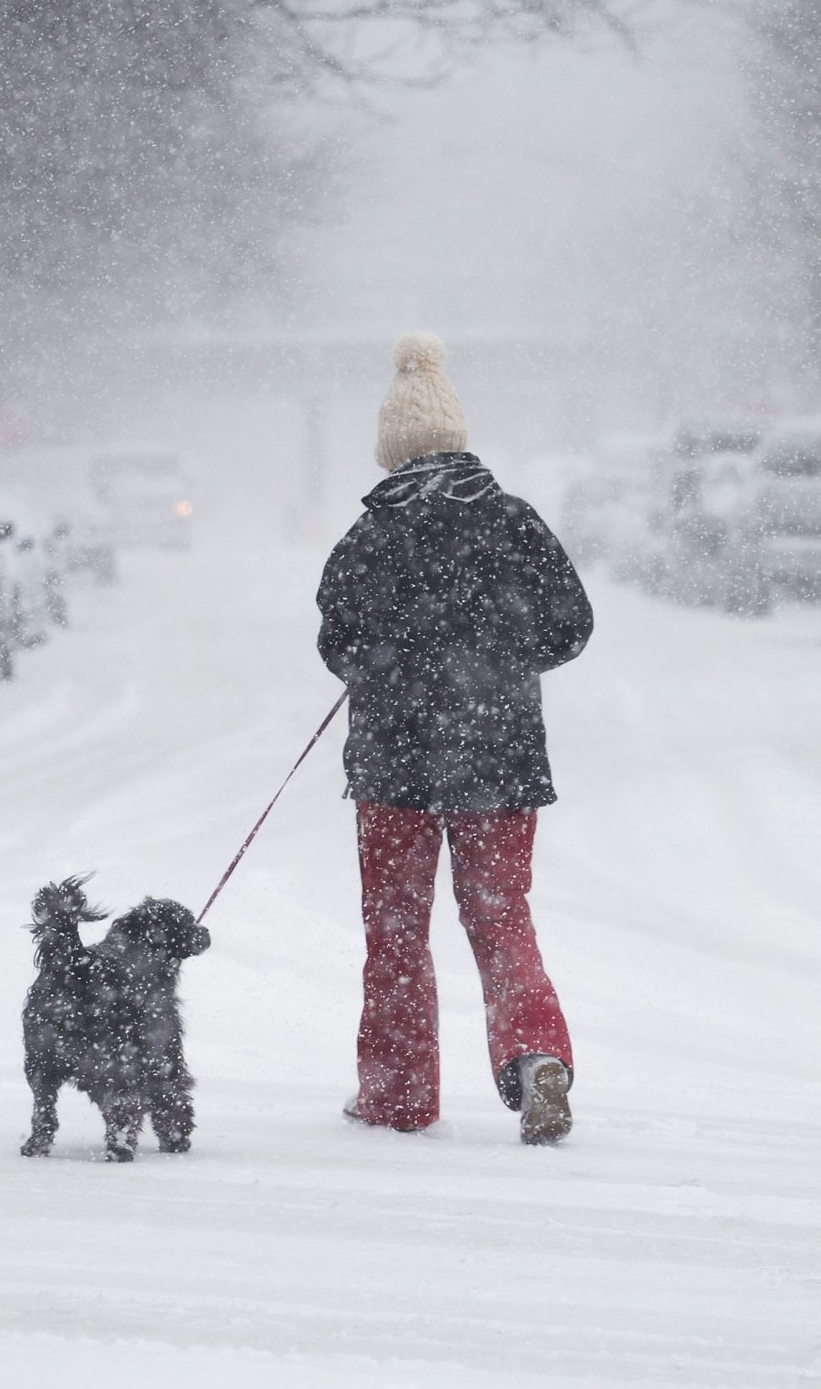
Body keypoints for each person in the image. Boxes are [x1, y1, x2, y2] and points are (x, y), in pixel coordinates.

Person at [317, 332, 594, 1144]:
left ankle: (397, 1095)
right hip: (498, 757)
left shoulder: (370, 536)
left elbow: (337, 644)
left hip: (393, 765)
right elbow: (571, 625)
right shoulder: (513, 523)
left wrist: (392, 666)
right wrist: (499, 667)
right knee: (502, 914)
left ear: (393, 448)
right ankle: (537, 1053)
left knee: (397, 930)